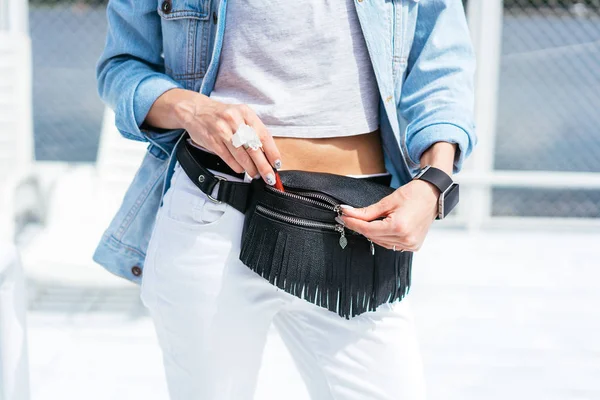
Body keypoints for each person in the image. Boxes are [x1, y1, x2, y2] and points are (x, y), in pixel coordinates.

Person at [95, 0, 476, 398]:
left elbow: (440, 61)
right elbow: (121, 66)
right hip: (214, 214)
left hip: (356, 226)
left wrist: (435, 181)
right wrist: (193, 110)